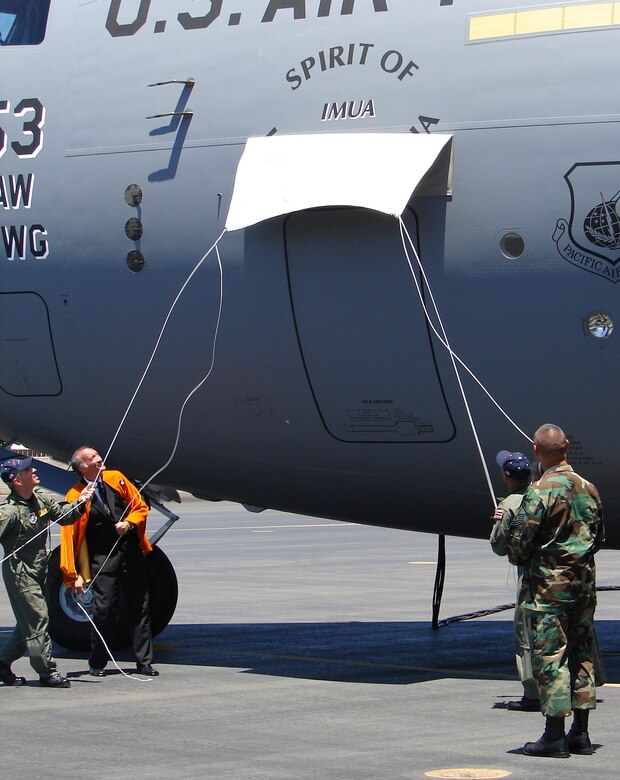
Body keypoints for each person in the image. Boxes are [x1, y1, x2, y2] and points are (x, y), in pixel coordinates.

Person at [506, 424, 604, 758]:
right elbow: (598, 538)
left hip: (549, 589)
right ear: (567, 447)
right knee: (582, 655)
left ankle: (553, 735)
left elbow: (519, 545)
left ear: (537, 451)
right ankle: (581, 733)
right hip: (583, 587)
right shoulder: (588, 488)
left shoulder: (541, 490)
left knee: (551, 658)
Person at [60, 446, 159, 677]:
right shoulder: (75, 495)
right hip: (101, 559)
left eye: (97, 455)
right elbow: (69, 537)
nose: (99, 458)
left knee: (140, 606)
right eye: (93, 457)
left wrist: (130, 523)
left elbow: (140, 506)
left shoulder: (116, 478)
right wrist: (72, 575)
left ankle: (144, 661)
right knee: (104, 610)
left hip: (130, 553)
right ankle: (97, 662)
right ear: (82, 467)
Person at [0, 456, 93, 688]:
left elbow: (66, 517)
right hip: (19, 572)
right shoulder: (9, 511)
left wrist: (81, 502)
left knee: (29, 622)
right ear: (16, 480)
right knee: (38, 619)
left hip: (39, 569)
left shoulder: (40, 497)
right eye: (26, 470)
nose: (33, 470)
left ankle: (2, 663)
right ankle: (47, 672)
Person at [490, 449, 540, 712]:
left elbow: (498, 546)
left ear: (506, 476)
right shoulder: (543, 496)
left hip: (529, 577)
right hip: (554, 573)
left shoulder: (508, 505)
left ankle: (532, 693)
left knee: (525, 633)